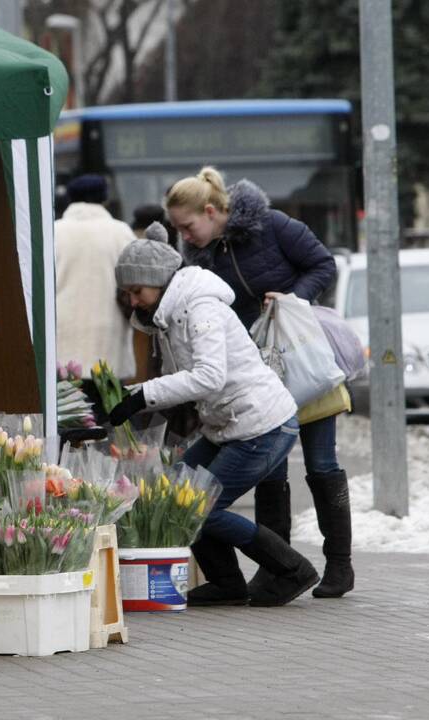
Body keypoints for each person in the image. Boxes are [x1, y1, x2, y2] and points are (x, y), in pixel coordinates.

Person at [165, 166, 352, 600]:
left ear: (211, 211)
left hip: (302, 358)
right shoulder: (200, 258)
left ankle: (340, 565)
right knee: (271, 474)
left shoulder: (272, 225)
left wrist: (294, 298)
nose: (185, 236)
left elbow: (322, 264)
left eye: (188, 226)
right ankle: (277, 571)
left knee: (322, 464)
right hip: (256, 374)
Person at [109, 227, 319, 606]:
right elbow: (183, 379)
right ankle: (227, 583)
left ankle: (292, 570)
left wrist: (144, 396)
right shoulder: (172, 315)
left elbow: (208, 376)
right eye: (128, 293)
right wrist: (127, 400)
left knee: (199, 506)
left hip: (262, 425)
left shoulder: (199, 308)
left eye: (136, 290)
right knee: (174, 494)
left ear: (157, 281)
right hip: (229, 424)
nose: (132, 300)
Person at [55, 174, 136, 382]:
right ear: (104, 199)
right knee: (109, 411)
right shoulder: (121, 232)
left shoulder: (54, 232)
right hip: (110, 345)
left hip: (61, 346)